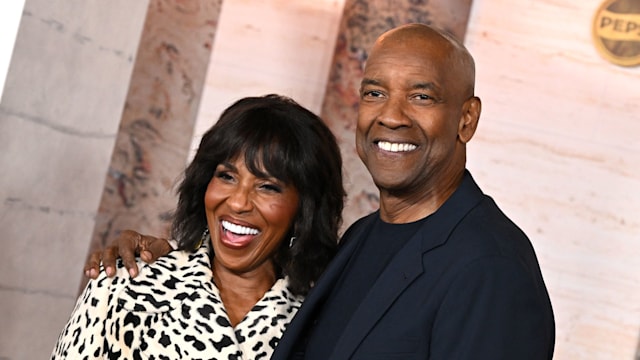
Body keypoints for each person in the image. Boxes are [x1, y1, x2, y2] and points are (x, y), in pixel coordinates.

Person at [87, 23, 556, 359]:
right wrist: (171, 257)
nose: (390, 115)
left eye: (421, 95)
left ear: (467, 119)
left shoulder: (490, 268)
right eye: (374, 93)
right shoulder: (360, 239)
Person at [51, 94, 345, 359]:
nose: (238, 202)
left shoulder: (318, 325)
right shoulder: (126, 286)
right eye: (227, 176)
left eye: (267, 186)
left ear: (304, 209)